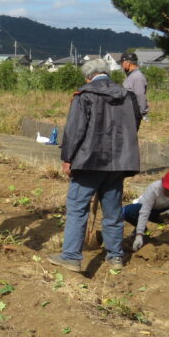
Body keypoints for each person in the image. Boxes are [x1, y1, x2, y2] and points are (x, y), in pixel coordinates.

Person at [48, 58, 141, 272]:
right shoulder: (127, 95)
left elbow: (75, 130)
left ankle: (71, 256)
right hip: (118, 162)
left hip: (89, 162)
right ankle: (115, 257)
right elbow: (134, 124)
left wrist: (67, 158)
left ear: (88, 76)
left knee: (77, 208)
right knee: (113, 211)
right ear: (107, 72)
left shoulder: (85, 95)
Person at [121, 52, 149, 119]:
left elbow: (140, 95)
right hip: (128, 113)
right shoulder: (132, 75)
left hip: (133, 114)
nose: (121, 65)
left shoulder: (137, 76)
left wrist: (143, 112)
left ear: (127, 63)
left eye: (122, 63)